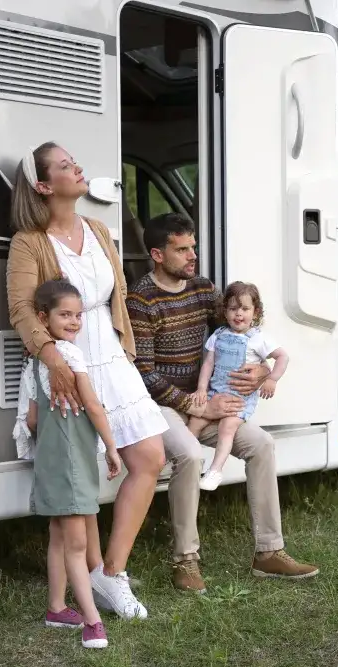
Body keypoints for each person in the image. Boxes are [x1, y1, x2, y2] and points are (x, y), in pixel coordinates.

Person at [6, 141, 168, 621]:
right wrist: (55, 361)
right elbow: (20, 309)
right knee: (86, 471)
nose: (77, 168)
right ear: (42, 185)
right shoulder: (29, 241)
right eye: (64, 165)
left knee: (149, 456)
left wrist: (128, 351)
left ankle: (111, 573)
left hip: (110, 357)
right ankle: (93, 571)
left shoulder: (98, 229)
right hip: (64, 361)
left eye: (74, 161)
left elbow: (114, 299)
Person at [126, 212, 319, 595]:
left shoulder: (202, 289)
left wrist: (264, 371)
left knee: (262, 444)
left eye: (193, 246)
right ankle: (186, 559)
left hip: (207, 401)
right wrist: (197, 406)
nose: (192, 255)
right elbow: (144, 374)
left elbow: (238, 333)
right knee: (189, 456)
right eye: (182, 249)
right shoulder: (141, 299)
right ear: (157, 254)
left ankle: (269, 552)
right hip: (163, 405)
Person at [23, 279, 120, 649]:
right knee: (77, 544)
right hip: (71, 462)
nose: (75, 321)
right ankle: (92, 623)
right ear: (43, 318)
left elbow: (32, 420)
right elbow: (93, 406)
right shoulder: (71, 356)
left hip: (50, 460)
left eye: (78, 315)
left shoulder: (34, 362)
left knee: (59, 536)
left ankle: (56, 608)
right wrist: (111, 446)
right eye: (65, 314)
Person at [189, 282, 289, 491]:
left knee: (227, 426)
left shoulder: (258, 339)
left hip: (238, 399)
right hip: (216, 394)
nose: (239, 314)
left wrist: (272, 378)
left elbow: (283, 357)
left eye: (245, 309)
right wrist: (201, 389)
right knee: (196, 421)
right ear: (225, 311)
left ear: (255, 312)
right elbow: (208, 364)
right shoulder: (218, 336)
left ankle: (215, 470)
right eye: (233, 309)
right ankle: (184, 460)